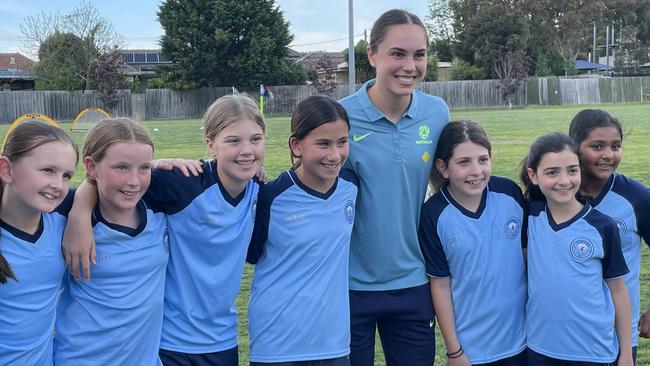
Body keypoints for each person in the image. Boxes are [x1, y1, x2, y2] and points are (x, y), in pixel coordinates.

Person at [63, 94, 265, 366]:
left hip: (224, 339)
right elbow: (113, 180)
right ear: (210, 144)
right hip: (171, 342)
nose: (247, 150)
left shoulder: (260, 189)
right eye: (233, 140)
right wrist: (79, 214)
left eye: (255, 139)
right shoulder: (183, 183)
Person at [338, 8, 450, 366]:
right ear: (371, 55)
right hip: (347, 285)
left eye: (420, 55)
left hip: (413, 282)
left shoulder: (437, 112)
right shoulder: (339, 115)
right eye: (397, 54)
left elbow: (446, 183)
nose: (410, 66)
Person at [246, 95, 358, 366]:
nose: (334, 154)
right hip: (277, 344)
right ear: (296, 145)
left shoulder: (351, 188)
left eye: (342, 142)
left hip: (333, 344)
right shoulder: (270, 196)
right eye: (323, 144)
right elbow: (251, 254)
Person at [54, 118, 169, 365]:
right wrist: (79, 214)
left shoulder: (162, 207)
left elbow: (224, 171)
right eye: (121, 168)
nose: (134, 181)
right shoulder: (62, 215)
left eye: (144, 168)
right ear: (92, 167)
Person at [418, 120, 527, 365]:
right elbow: (440, 286)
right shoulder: (433, 214)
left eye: (483, 159)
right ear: (443, 168)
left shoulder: (509, 194)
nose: (476, 170)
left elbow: (529, 257)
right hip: (472, 351)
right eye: (464, 162)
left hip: (524, 342)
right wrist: (454, 351)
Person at [520, 132, 632, 366]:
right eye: (552, 172)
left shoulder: (602, 226)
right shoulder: (529, 218)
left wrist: (626, 354)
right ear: (533, 175)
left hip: (593, 353)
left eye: (572, 170)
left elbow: (619, 292)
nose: (564, 180)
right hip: (540, 350)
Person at [569, 109, 650, 364]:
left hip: (618, 336)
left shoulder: (636, 197)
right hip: (564, 334)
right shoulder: (555, 194)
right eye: (597, 146)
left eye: (616, 146)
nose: (608, 155)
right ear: (575, 147)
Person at [0, 122, 78, 365]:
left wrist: (81, 217)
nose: (58, 185)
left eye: (66, 175)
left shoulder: (60, 220)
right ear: (6, 170)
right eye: (47, 170)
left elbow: (102, 184)